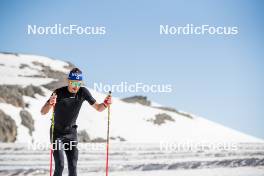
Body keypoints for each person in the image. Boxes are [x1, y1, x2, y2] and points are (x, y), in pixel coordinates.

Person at [40, 67, 112, 176]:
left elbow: (99, 108)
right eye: (73, 83)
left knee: (73, 166)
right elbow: (43, 112)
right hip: (57, 133)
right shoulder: (58, 92)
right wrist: (50, 103)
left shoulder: (83, 92)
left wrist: (106, 103)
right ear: (69, 81)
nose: (76, 86)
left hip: (71, 133)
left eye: (78, 83)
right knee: (60, 166)